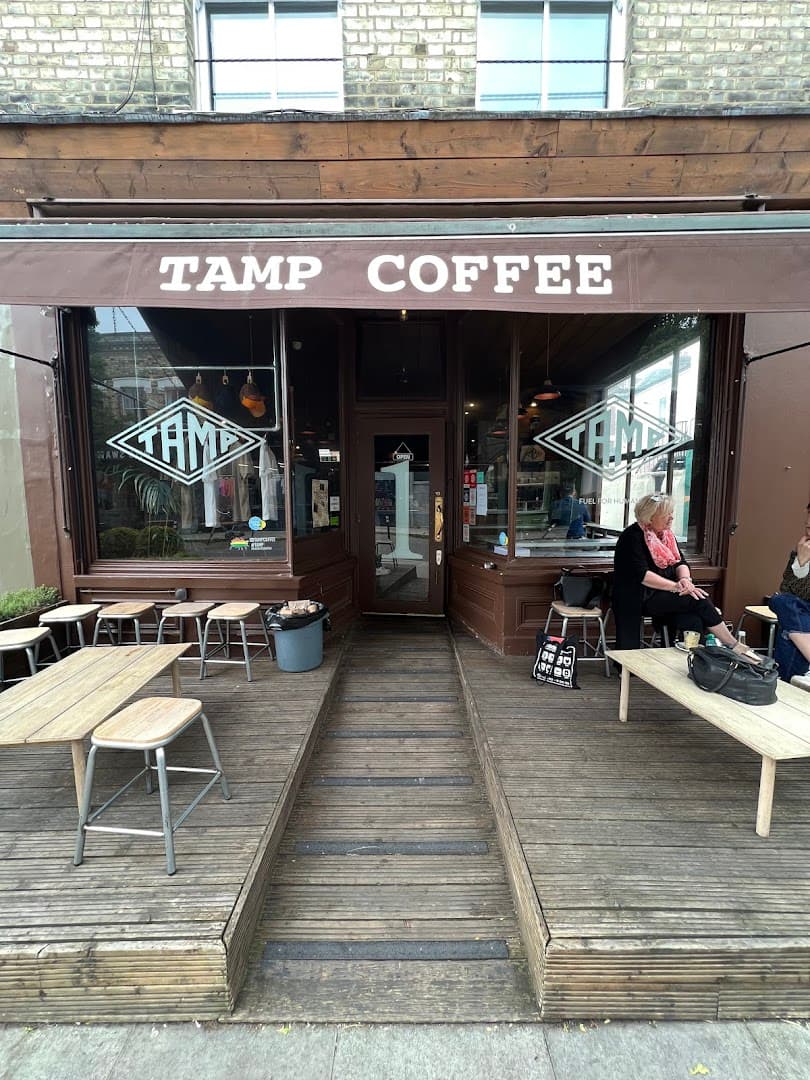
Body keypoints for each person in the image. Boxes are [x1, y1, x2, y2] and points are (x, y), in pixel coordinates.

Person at [612, 492, 760, 656]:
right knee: (696, 598)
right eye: (666, 514)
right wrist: (676, 587)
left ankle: (695, 662)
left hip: (664, 593)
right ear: (650, 517)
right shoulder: (631, 537)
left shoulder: (666, 535)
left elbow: (680, 562)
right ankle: (733, 645)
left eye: (671, 513)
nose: (671, 518)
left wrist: (685, 580)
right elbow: (643, 576)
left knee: (693, 618)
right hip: (639, 597)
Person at [768, 502, 810, 688]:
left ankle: (784, 687)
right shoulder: (801, 551)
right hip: (803, 612)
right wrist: (801, 563)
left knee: (789, 631)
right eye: (807, 527)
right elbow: (787, 589)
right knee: (781, 601)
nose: (808, 532)